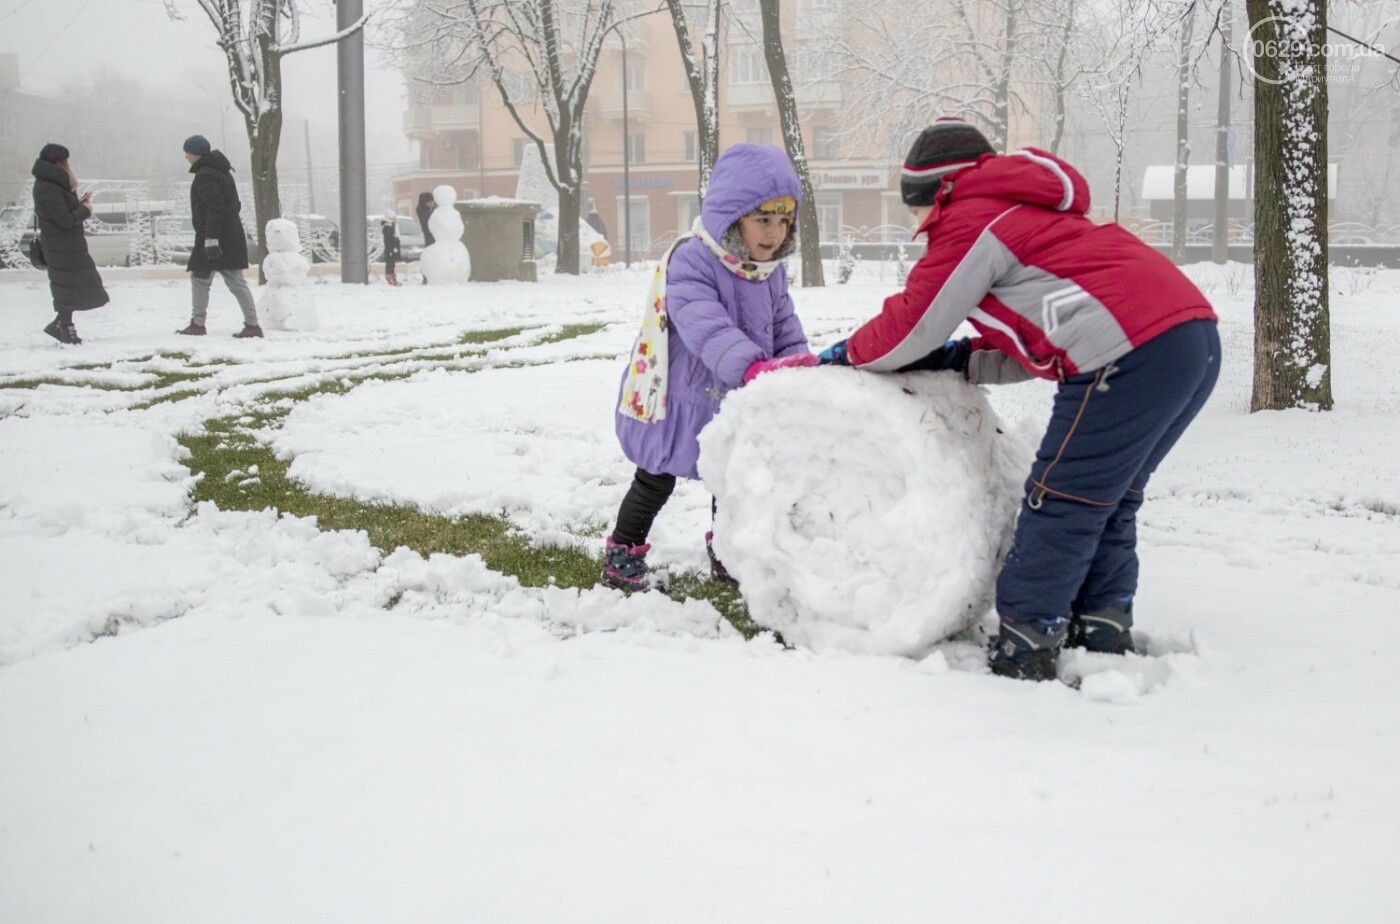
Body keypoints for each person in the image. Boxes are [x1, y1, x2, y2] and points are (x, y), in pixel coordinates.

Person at [820, 119, 1219, 681]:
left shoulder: (972, 216)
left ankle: (1028, 640)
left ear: (936, 189)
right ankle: (1101, 624)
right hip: (1190, 341)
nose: (918, 224)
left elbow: (915, 322)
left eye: (915, 209)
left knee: (1059, 498)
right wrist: (962, 360)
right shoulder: (1030, 217)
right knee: (1109, 495)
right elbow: (1036, 339)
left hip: (1125, 353)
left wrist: (846, 355)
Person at [604, 144, 818, 591]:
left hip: (736, 396)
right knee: (654, 478)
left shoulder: (769, 270)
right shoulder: (693, 259)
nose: (774, 233)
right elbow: (705, 325)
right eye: (763, 219)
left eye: (783, 221)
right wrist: (751, 366)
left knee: (732, 482)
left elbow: (783, 322)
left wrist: (798, 367)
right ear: (732, 215)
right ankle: (623, 552)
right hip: (681, 396)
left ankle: (726, 555)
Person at [176, 135, 262, 338]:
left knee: (217, 279)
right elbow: (234, 205)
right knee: (211, 278)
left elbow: (215, 208)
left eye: (187, 152)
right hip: (228, 236)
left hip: (216, 238)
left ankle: (247, 325)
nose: (186, 157)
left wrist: (211, 238)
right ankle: (248, 324)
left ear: (195, 153)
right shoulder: (222, 172)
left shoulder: (205, 175)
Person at [30, 143, 109, 344]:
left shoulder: (52, 185)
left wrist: (79, 204)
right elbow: (64, 220)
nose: (69, 165)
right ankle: (64, 326)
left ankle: (62, 325)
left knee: (70, 286)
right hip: (61, 247)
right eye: (66, 161)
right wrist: (85, 210)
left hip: (66, 246)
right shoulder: (48, 187)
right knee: (67, 286)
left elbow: (61, 213)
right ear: (59, 163)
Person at [416, 191, 436, 285]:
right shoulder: (421, 210)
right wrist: (432, 211)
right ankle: (426, 276)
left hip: (437, 235)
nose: (431, 204)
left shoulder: (436, 208)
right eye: (429, 202)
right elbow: (425, 220)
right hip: (428, 235)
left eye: (432, 201)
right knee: (429, 256)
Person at [381, 210, 402, 285]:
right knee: (389, 263)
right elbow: (387, 241)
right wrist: (391, 250)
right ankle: (389, 276)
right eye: (393, 217)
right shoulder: (387, 227)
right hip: (390, 249)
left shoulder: (393, 226)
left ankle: (393, 276)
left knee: (392, 263)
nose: (395, 218)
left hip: (393, 248)